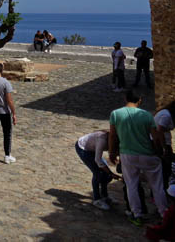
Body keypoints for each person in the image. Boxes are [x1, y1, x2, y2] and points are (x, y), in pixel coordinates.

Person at [109, 89, 169, 226]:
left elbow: (112, 135)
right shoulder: (147, 115)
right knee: (157, 186)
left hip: (127, 155)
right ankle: (164, 213)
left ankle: (137, 214)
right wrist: (160, 152)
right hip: (147, 154)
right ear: (140, 100)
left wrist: (112, 152)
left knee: (132, 186)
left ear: (125, 98)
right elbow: (156, 138)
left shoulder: (115, 114)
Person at [75, 130, 119, 210]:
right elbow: (98, 160)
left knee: (106, 175)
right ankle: (97, 199)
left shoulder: (115, 141)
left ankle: (105, 196)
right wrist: (111, 173)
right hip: (83, 148)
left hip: (92, 149)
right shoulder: (102, 140)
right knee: (98, 173)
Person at [156, 101, 175, 189]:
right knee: (166, 170)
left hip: (162, 144)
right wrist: (164, 148)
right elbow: (160, 130)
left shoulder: (165, 113)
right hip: (162, 145)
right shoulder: (166, 115)